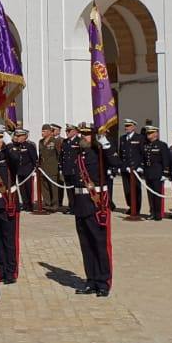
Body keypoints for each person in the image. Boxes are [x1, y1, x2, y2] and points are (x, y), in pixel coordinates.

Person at [64, 125, 113, 298]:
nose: (82, 137)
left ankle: (103, 282)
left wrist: (106, 145)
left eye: (86, 135)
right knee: (86, 244)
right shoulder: (79, 155)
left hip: (95, 203)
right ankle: (91, 280)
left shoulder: (100, 154)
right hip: (80, 203)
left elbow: (116, 163)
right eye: (81, 134)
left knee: (99, 244)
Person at [0, 129, 20, 284]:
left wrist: (9, 144)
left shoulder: (9, 155)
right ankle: (1, 269)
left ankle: (11, 272)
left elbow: (16, 160)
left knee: (9, 240)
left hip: (8, 201)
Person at [140, 125, 169, 220]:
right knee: (150, 194)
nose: (149, 135)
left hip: (157, 172)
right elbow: (144, 159)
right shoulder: (146, 145)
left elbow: (165, 159)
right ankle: (152, 212)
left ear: (156, 134)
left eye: (151, 133)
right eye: (148, 133)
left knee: (157, 194)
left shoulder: (161, 145)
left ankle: (158, 213)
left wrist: (165, 173)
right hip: (148, 172)